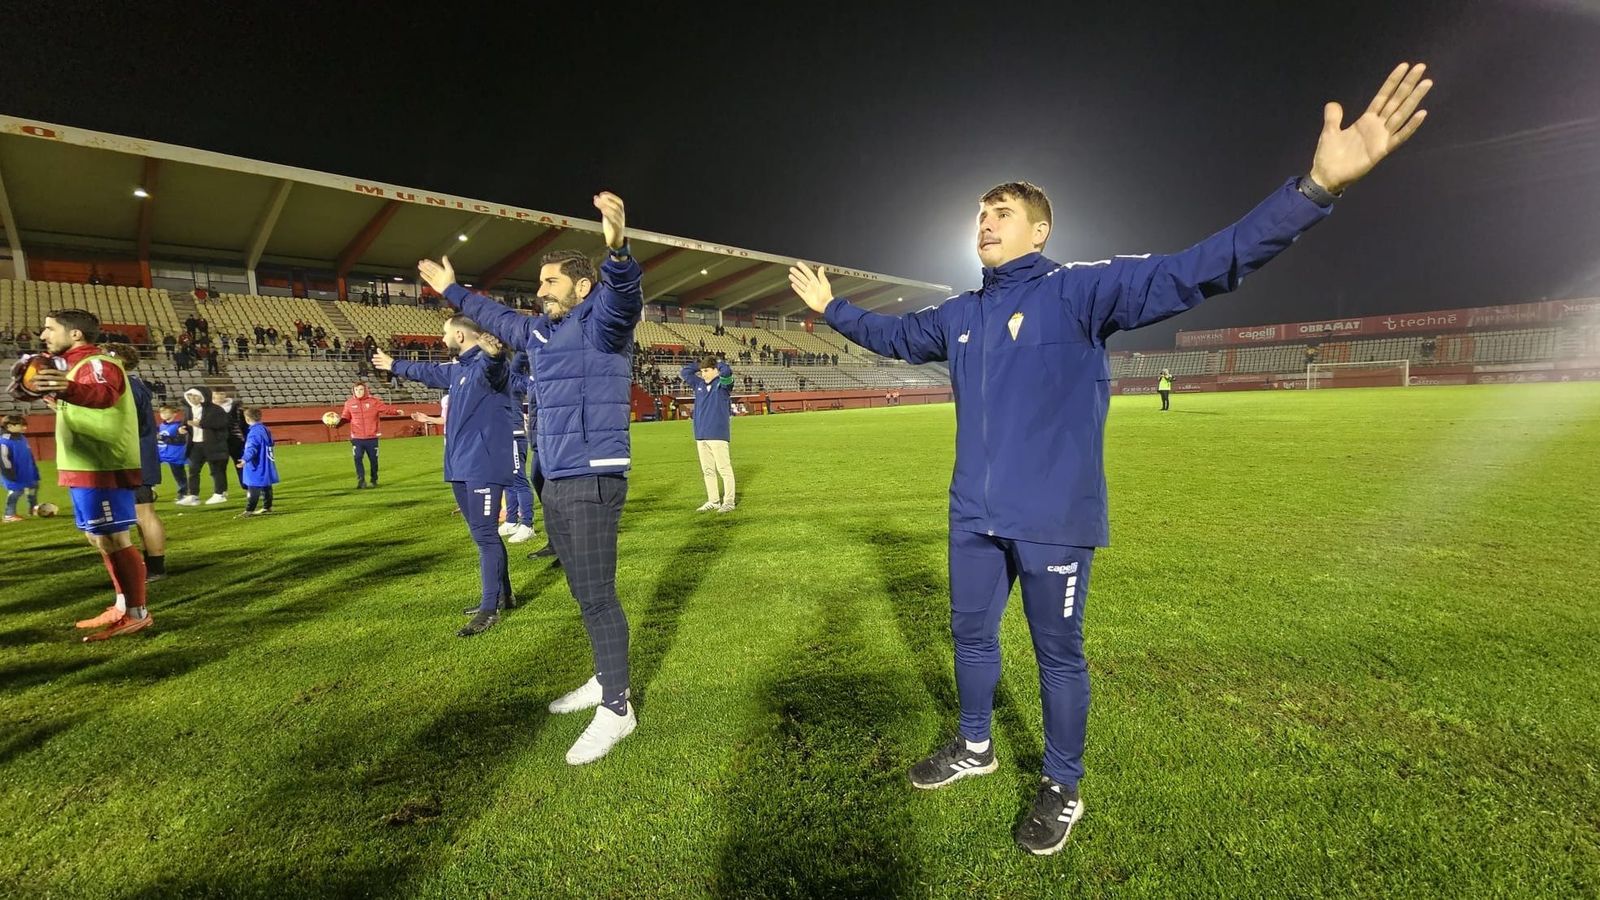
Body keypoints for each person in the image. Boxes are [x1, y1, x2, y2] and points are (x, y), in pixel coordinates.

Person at [787, 62, 1432, 856]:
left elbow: (1202, 267)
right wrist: (832, 309)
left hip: (1053, 517)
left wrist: (1314, 191)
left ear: (1040, 231)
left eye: (1002, 212)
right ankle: (976, 745)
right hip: (973, 515)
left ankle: (1062, 784)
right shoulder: (960, 316)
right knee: (970, 637)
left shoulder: (1080, 293)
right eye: (980, 213)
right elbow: (891, 336)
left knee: (1058, 654)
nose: (985, 222)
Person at [418, 190, 641, 765]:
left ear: (580, 287)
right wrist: (451, 290)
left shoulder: (604, 326)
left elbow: (623, 298)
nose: (539, 290)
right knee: (581, 590)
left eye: (550, 282)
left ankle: (617, 708)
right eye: (540, 282)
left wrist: (616, 249)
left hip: (593, 476)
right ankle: (603, 677)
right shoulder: (540, 334)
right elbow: (494, 318)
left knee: (597, 594)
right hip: (555, 475)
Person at [375, 319, 515, 638]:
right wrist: (393, 364)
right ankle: (503, 595)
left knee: (484, 535)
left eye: (445, 331)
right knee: (483, 534)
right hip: (459, 464)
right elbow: (427, 373)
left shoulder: (485, 365)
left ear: (460, 334)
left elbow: (496, 370)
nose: (441, 336)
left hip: (483, 463)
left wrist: (494, 355)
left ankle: (488, 608)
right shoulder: (458, 369)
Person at [26, 309, 154, 641]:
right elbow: (79, 401)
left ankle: (138, 613)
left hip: (103, 465)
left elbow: (102, 395)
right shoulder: (75, 367)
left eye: (50, 329)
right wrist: (51, 393)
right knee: (97, 537)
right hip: (82, 464)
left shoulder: (98, 363)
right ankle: (123, 604)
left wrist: (66, 389)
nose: (43, 335)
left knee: (113, 537)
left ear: (76, 335)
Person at [103, 343, 169, 580]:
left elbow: (127, 425)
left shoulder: (127, 387)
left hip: (133, 459)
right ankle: (150, 565)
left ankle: (155, 568)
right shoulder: (134, 385)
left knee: (144, 514)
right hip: (136, 458)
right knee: (141, 514)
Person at [680, 354, 736, 512]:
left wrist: (718, 364)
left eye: (706, 370)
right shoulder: (698, 384)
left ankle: (729, 502)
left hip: (718, 434)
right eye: (701, 371)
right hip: (701, 434)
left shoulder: (723, 385)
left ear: (715, 370)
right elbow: (685, 372)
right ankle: (713, 501)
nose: (703, 374)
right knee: (708, 470)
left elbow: (727, 372)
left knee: (724, 469)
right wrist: (699, 365)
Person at [334, 381, 405, 489]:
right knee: (357, 458)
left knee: (373, 460)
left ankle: (374, 479)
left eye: (361, 389)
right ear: (353, 391)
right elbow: (345, 417)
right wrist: (336, 424)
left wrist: (396, 411)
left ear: (366, 390)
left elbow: (386, 409)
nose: (359, 392)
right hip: (357, 438)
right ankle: (361, 481)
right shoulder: (349, 403)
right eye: (356, 390)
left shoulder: (373, 402)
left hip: (372, 437)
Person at [499, 351, 538, 544]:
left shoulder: (511, 379)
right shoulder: (496, 382)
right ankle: (511, 520)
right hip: (501, 437)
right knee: (508, 481)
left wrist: (524, 341)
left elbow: (519, 358)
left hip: (514, 436)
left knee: (519, 480)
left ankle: (527, 524)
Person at [178, 387, 231, 506]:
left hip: (213, 445)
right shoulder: (189, 410)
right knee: (193, 471)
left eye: (195, 395)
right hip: (195, 445)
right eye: (190, 396)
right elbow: (185, 423)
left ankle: (219, 494)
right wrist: (182, 429)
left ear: (202, 396)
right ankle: (193, 495)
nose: (192, 398)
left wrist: (201, 424)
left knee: (216, 470)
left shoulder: (216, 409)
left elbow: (222, 424)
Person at [238, 407, 279, 516]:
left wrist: (245, 459)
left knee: (253, 485)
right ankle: (267, 507)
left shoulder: (254, 432)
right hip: (266, 461)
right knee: (266, 484)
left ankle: (249, 510)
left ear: (247, 419)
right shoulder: (264, 429)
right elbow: (271, 443)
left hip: (257, 464)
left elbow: (252, 448)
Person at [1, 414, 40, 522]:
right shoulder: (3, 441)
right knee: (16, 491)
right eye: (21, 425)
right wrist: (9, 474)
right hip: (13, 473)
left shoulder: (22, 438)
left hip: (27, 471)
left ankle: (33, 509)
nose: (25, 428)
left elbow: (29, 454)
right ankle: (9, 515)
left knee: (33, 487)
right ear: (9, 426)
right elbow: (3, 460)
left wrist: (34, 468)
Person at [213, 389, 247, 490]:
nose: (218, 397)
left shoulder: (236, 408)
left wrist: (245, 438)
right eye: (216, 395)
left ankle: (247, 487)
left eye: (221, 394)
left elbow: (244, 424)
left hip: (236, 440)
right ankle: (221, 491)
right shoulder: (208, 409)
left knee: (240, 464)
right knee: (219, 467)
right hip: (218, 442)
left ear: (224, 395)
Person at [156, 406, 189, 488]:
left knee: (179, 475)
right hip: (162, 454)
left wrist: (162, 438)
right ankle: (149, 489)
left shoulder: (179, 426)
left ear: (174, 414)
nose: (163, 415)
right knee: (150, 470)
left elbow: (180, 440)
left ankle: (183, 492)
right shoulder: (161, 425)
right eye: (161, 413)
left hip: (175, 455)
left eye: (166, 412)